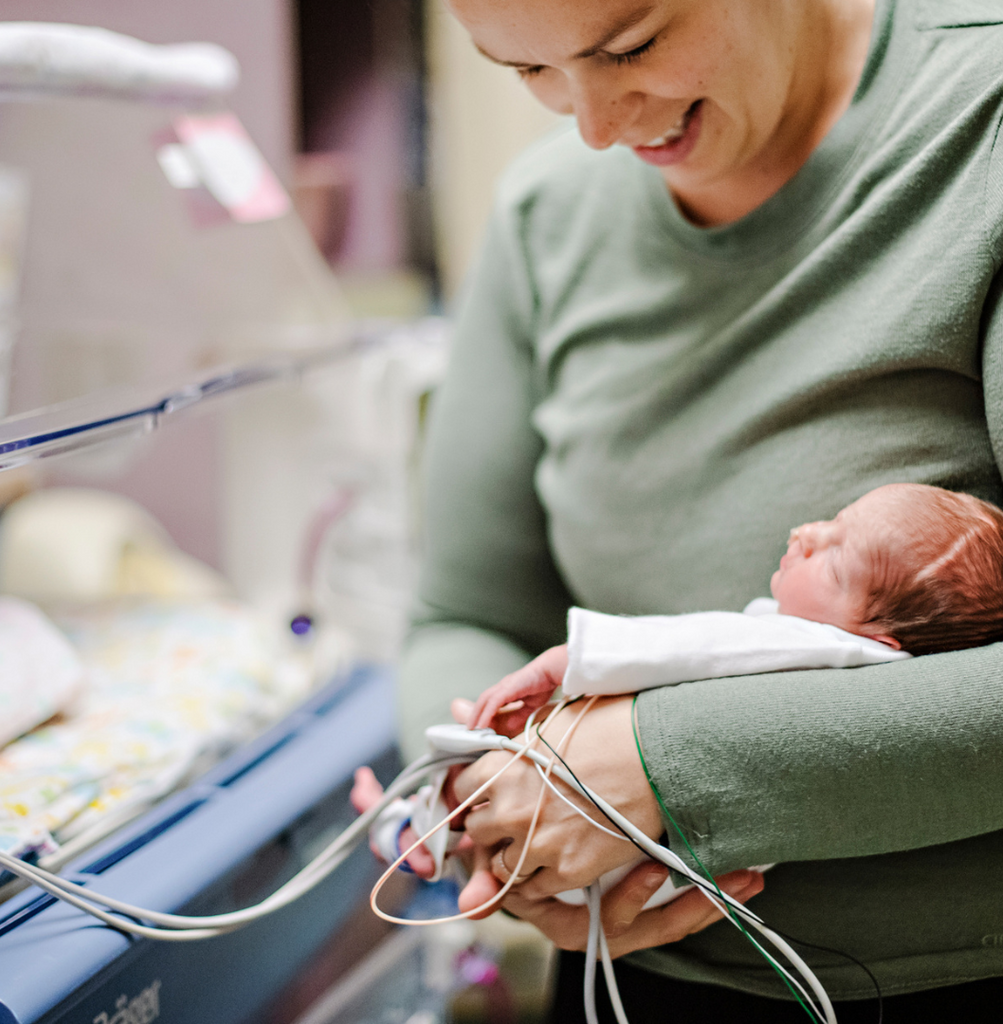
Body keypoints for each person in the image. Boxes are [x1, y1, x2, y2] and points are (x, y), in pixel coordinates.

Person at [358, 0, 1003, 1018]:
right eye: (524, 70)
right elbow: (462, 617)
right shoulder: (544, 218)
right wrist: (481, 805)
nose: (598, 127)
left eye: (631, 47)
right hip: (634, 982)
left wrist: (665, 767)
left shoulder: (978, 129)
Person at [467, 483, 1003, 731]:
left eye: (837, 565)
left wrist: (557, 665)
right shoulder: (861, 653)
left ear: (879, 638)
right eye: (834, 521)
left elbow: (690, 646)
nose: (807, 532)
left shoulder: (819, 646)